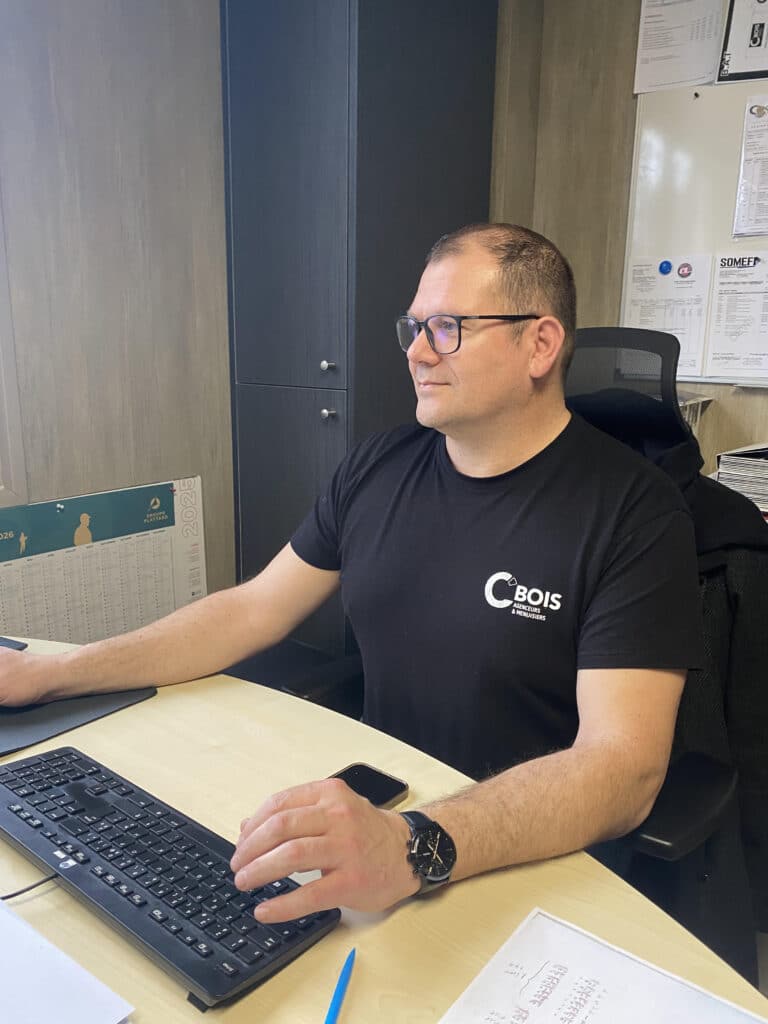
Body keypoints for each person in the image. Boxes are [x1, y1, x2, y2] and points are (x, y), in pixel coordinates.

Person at [0, 223, 701, 924]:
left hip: (524, 854)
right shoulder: (378, 467)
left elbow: (623, 767)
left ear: (540, 344)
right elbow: (252, 610)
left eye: (449, 328)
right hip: (387, 821)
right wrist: (53, 674)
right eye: (414, 328)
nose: (417, 352)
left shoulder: (636, 512)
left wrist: (417, 844)